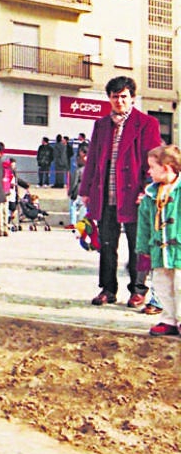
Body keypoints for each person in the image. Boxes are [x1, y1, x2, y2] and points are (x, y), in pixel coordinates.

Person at [79, 76, 162, 307]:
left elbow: (152, 159)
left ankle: (138, 290)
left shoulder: (147, 123)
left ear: (132, 98)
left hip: (134, 196)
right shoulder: (101, 125)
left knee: (138, 245)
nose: (119, 101)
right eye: (115, 97)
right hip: (106, 195)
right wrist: (85, 190)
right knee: (106, 245)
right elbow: (93, 159)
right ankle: (107, 289)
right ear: (109, 99)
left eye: (124, 96)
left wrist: (147, 188)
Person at [137, 145, 181, 336]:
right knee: (162, 285)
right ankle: (169, 319)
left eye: (152, 167)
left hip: (178, 249)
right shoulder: (151, 195)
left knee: (180, 285)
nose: (149, 171)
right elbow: (144, 224)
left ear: (166, 167)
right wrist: (143, 248)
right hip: (159, 250)